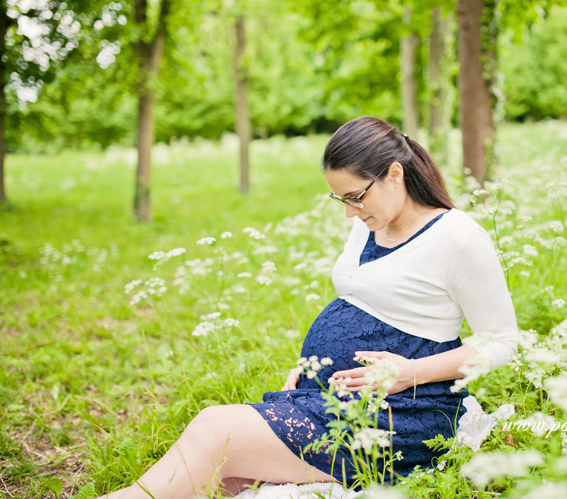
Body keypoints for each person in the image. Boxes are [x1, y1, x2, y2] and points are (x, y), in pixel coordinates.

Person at [97, 116, 518, 499]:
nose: (350, 213)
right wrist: (314, 367)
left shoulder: (459, 238)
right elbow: (363, 299)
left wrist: (407, 373)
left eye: (356, 197)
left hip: (403, 412)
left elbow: (503, 342)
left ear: (394, 174)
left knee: (215, 430)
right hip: (334, 397)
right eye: (342, 201)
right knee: (222, 479)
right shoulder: (369, 222)